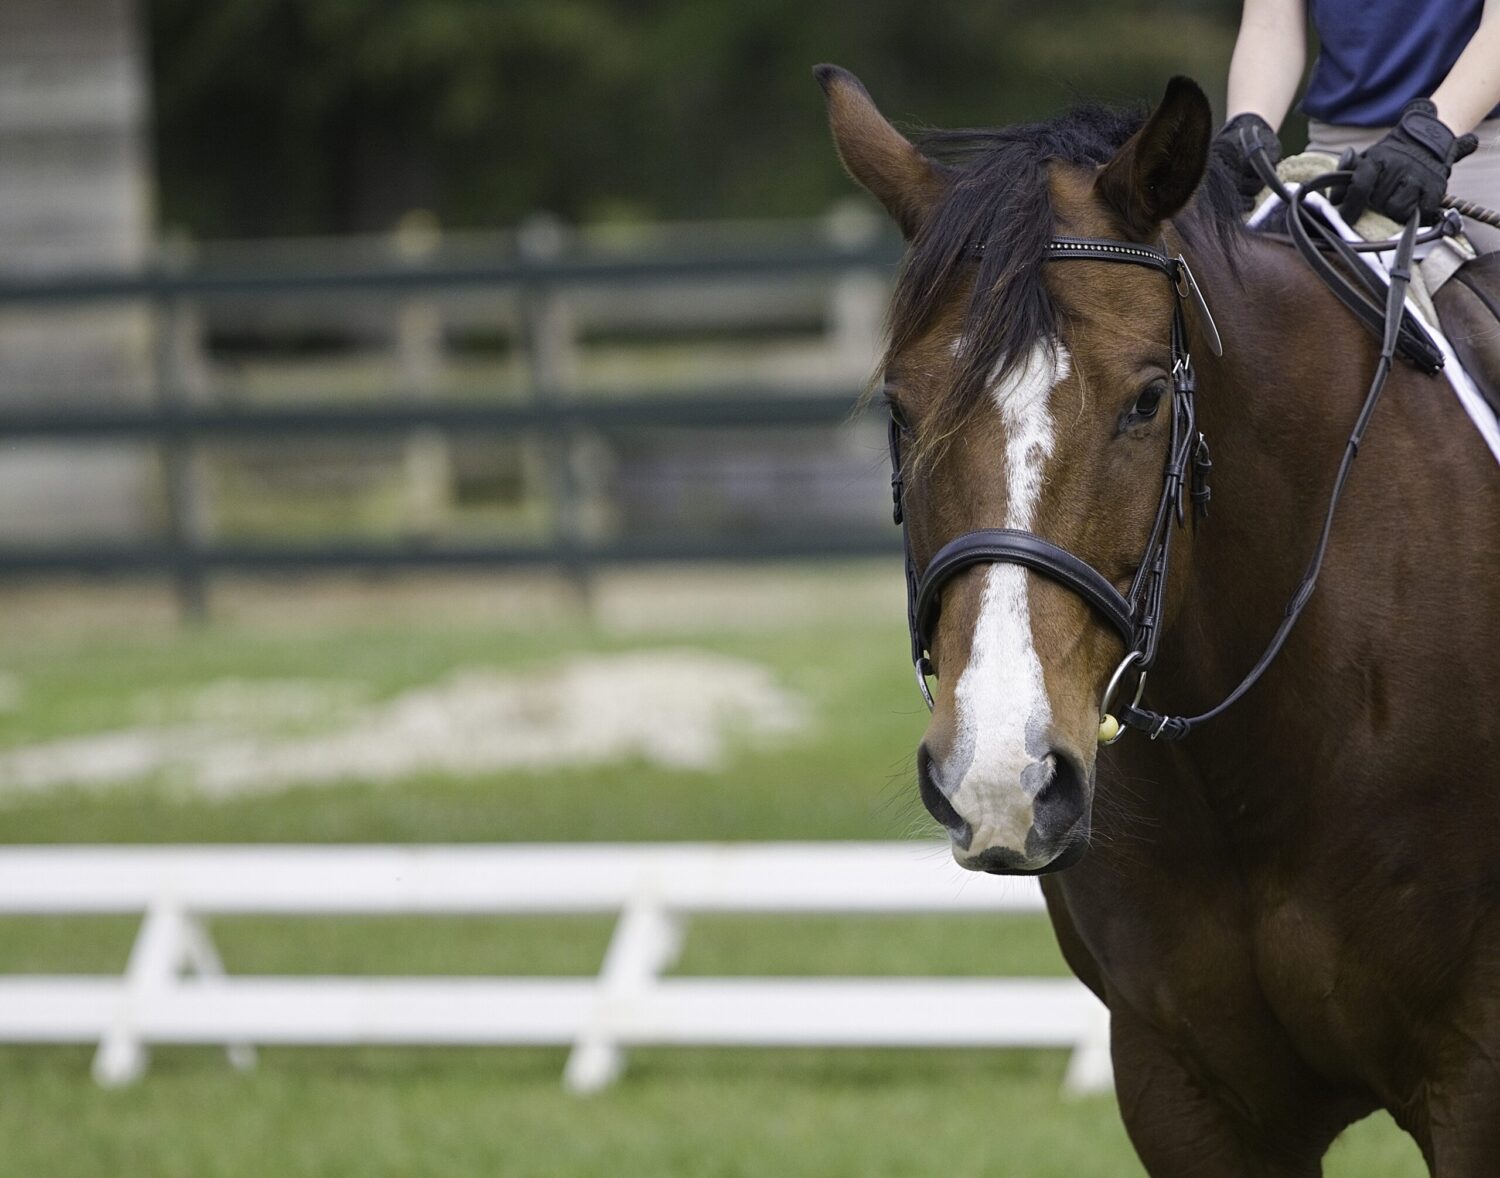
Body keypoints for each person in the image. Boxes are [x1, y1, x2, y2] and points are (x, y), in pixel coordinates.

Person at [1213, 0, 1500, 251]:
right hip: (1334, 156)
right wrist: (1249, 120)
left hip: (1470, 149)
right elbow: (1270, 24)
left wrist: (1432, 135)